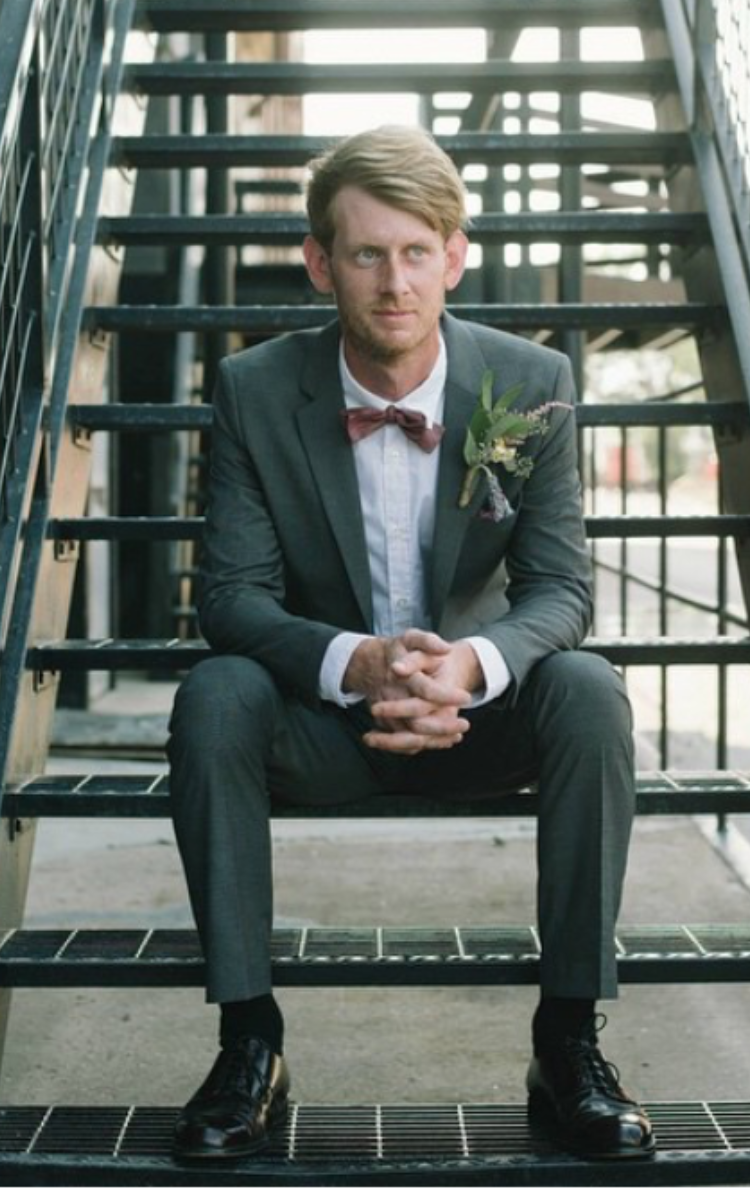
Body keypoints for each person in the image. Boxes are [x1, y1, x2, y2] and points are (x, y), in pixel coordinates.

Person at [167, 125, 653, 1163]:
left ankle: (569, 1038)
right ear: (319, 262)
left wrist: (468, 667)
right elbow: (234, 599)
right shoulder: (256, 390)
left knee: (590, 691)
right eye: (366, 253)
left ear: (456, 254)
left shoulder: (530, 383)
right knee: (214, 692)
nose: (395, 281)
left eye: (416, 251)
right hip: (326, 726)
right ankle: (249, 1041)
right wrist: (358, 661)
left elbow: (563, 589)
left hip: (476, 721)